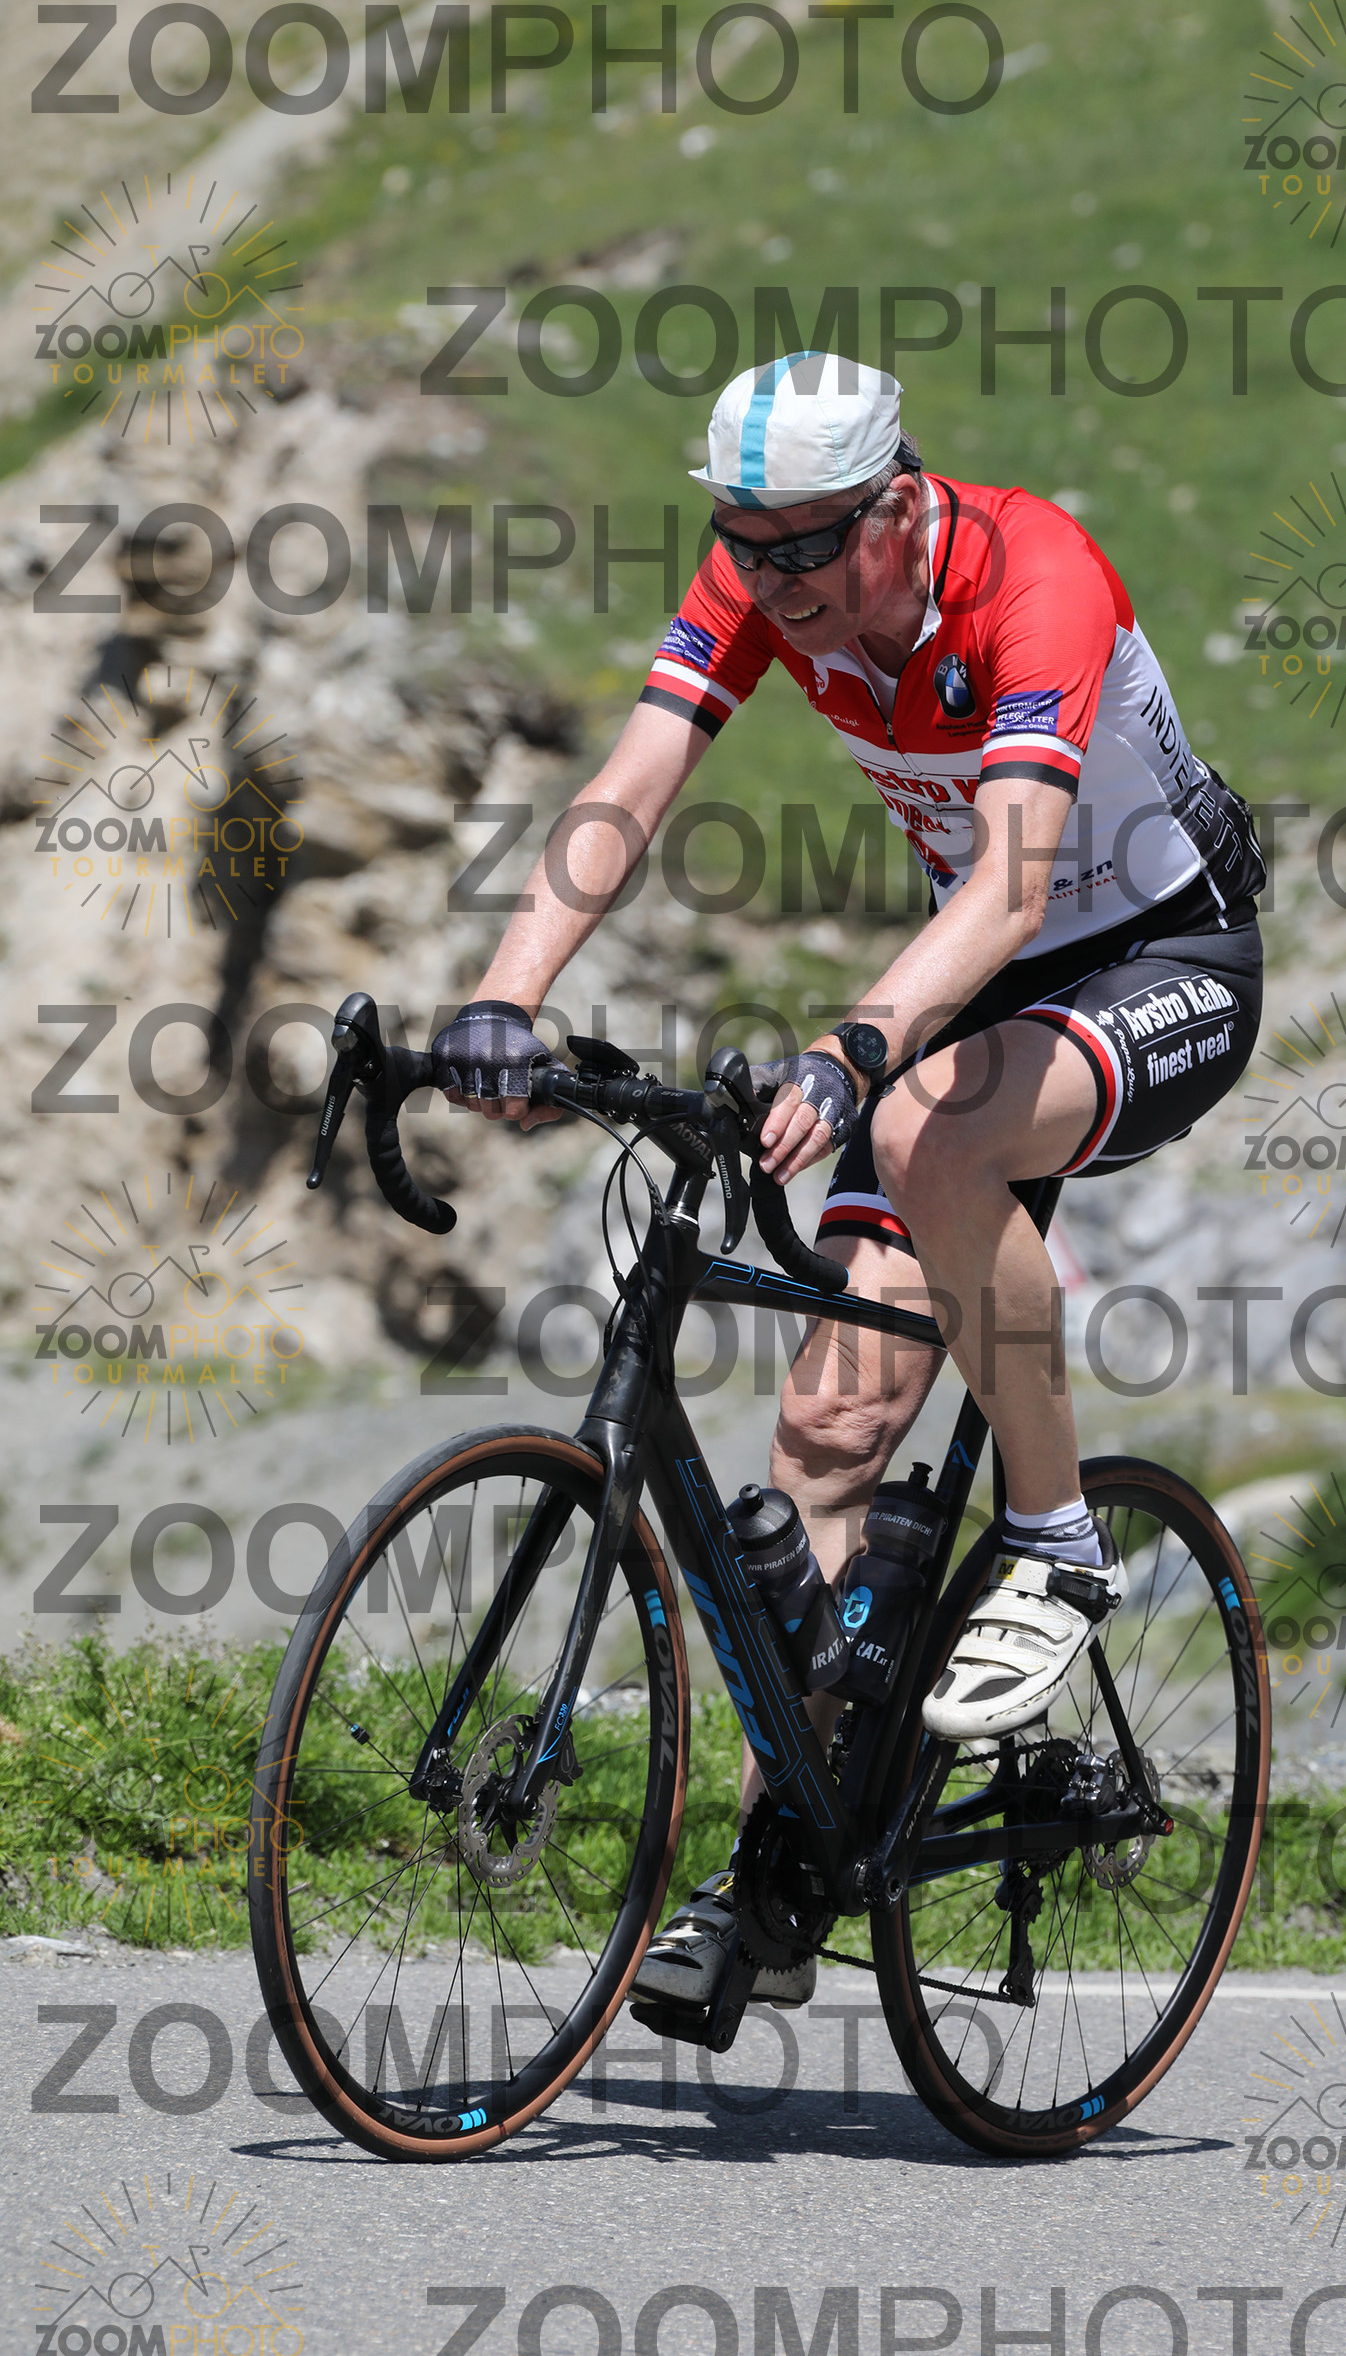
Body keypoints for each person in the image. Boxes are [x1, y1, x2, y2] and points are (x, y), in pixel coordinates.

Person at [431, 351, 1265, 2012]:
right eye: (745, 545)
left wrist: (854, 1048)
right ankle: (776, 1878)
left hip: (1162, 959)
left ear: (895, 506)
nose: (774, 579)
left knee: (926, 1129)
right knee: (822, 1434)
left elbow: (1015, 886)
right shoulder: (765, 569)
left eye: (807, 545)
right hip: (973, 1000)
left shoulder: (1033, 573)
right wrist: (506, 996)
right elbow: (630, 787)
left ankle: (1054, 1542)